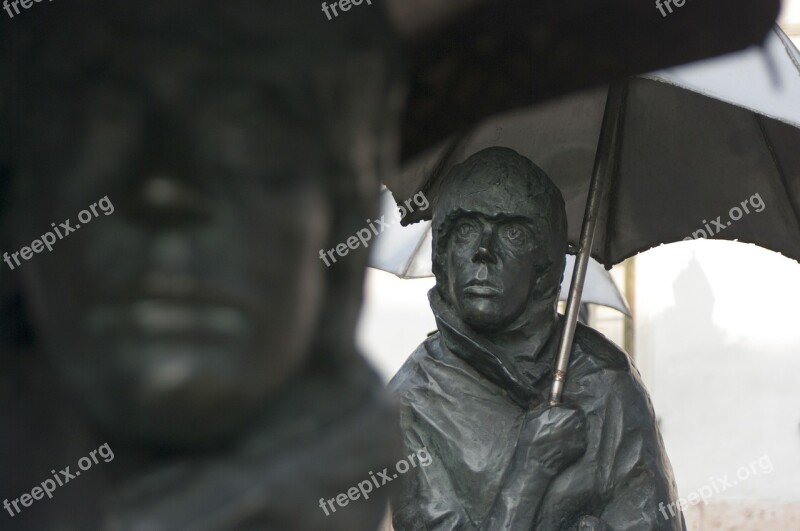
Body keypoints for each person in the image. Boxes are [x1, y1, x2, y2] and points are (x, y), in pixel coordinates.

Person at [389, 147, 685, 530]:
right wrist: (529, 474)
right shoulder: (411, 399)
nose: (483, 251)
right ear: (441, 255)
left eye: (512, 232)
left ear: (546, 265)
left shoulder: (605, 379)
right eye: (465, 230)